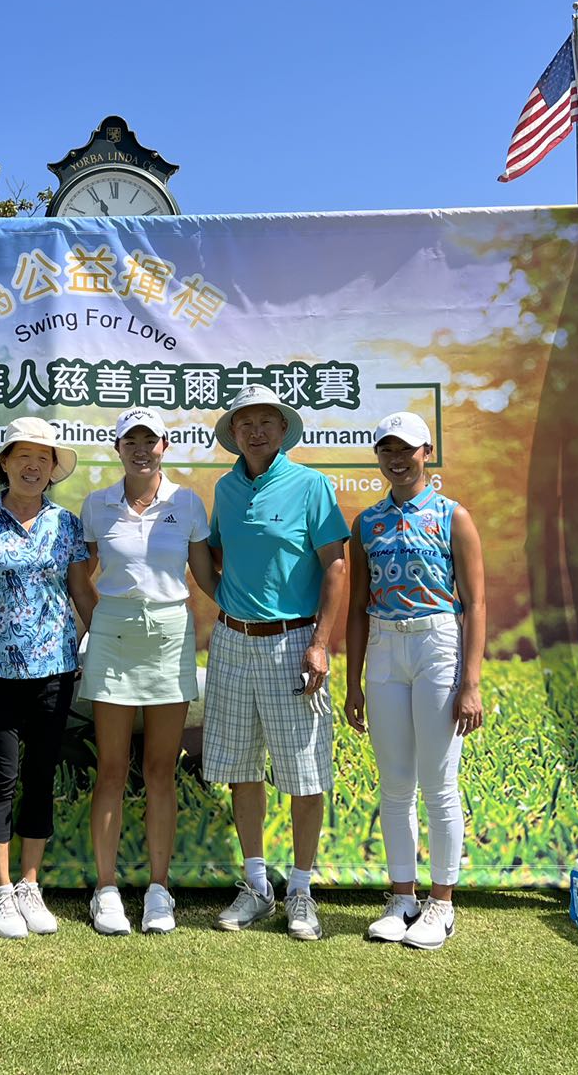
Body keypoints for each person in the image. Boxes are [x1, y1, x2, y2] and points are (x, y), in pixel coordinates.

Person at [201, 384, 349, 942]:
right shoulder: (226, 487)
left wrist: (320, 641)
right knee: (242, 769)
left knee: (303, 773)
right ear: (234, 434)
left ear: (283, 431)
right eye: (245, 424)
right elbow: (214, 553)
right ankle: (257, 885)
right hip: (234, 643)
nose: (255, 431)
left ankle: (302, 891)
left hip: (294, 644)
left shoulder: (311, 485)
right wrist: (228, 604)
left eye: (266, 422)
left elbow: (335, 567)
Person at [344, 411, 486, 950]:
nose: (396, 459)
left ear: (428, 452)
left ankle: (441, 904)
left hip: (438, 645)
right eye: (387, 450)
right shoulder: (367, 523)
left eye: (407, 449)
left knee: (439, 783)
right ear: (378, 456)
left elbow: (475, 603)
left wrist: (470, 682)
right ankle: (401, 898)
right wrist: (354, 682)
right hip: (384, 648)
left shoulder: (453, 516)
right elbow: (357, 607)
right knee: (396, 783)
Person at [0, 416, 96, 939]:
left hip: (55, 670)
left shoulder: (67, 525)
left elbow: (81, 594)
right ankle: (1, 891)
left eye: (44, 458)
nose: (34, 466)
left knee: (40, 778)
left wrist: (108, 643)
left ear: (53, 470)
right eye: (23, 456)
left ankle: (30, 884)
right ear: (5, 464)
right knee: (2, 777)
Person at [78, 406, 215, 936]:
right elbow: (78, 575)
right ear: (118, 449)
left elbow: (205, 577)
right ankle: (106, 889)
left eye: (149, 440)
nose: (140, 449)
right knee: (111, 769)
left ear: (165, 445)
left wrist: (248, 615)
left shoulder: (186, 503)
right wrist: (97, 623)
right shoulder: (96, 505)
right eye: (130, 441)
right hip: (113, 635)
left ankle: (159, 891)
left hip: (168, 635)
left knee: (160, 768)